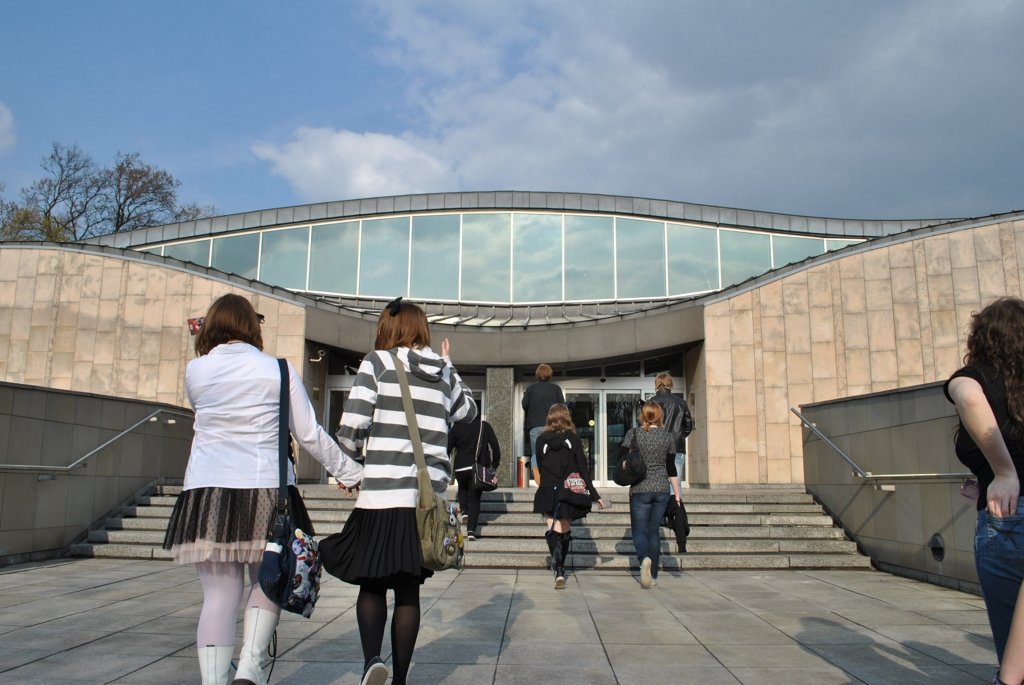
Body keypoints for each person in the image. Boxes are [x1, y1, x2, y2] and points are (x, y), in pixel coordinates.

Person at [162, 294, 363, 685]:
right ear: (252, 328)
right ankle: (251, 670)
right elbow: (308, 435)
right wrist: (350, 472)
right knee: (270, 579)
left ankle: (214, 681)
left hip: (207, 491)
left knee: (219, 595)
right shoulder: (280, 370)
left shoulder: (196, 371)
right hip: (266, 490)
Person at [322, 297, 476, 685]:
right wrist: (450, 367)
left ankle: (373, 661)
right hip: (425, 504)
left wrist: (350, 468)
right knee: (408, 592)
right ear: (422, 328)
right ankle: (401, 679)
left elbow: (352, 427)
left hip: (381, 498)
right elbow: (469, 414)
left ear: (391, 329)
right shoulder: (444, 372)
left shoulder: (377, 363)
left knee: (372, 583)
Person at [943, 297, 1024, 684]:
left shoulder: (974, 377)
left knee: (1013, 648)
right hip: (1002, 514)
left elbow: (968, 395)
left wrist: (1004, 472)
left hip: (1004, 518)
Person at [532, 403, 606, 589]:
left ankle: (557, 569)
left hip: (548, 489)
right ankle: (560, 568)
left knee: (552, 530)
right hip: (567, 489)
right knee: (563, 532)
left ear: (550, 418)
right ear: (567, 417)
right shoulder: (573, 438)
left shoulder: (541, 439)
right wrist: (595, 495)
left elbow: (540, 465)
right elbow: (583, 468)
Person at [623, 400, 681, 588]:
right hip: (662, 489)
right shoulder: (667, 437)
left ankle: (644, 559)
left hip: (640, 488)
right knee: (653, 532)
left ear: (643, 415)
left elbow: (622, 457)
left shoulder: (634, 433)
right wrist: (677, 494)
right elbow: (671, 468)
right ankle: (654, 575)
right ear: (659, 415)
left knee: (639, 531)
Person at [448, 413, 500, 540]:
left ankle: (464, 511)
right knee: (475, 498)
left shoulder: (456, 427)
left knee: (462, 488)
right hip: (477, 468)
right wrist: (494, 464)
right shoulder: (484, 426)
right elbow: (495, 446)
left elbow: (447, 448)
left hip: (460, 467)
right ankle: (471, 530)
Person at [648, 372, 693, 491]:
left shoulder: (651, 402)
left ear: (657, 384)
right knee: (675, 483)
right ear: (670, 384)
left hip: (656, 446)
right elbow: (688, 426)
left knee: (656, 482)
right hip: (676, 446)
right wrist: (680, 436)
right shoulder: (681, 402)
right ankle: (675, 507)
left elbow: (644, 425)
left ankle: (661, 508)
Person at [522, 363, 565, 485]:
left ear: (537, 375)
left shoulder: (531, 389)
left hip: (534, 426)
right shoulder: (556, 389)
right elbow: (562, 407)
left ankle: (538, 478)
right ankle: (553, 477)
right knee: (553, 451)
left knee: (536, 453)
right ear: (549, 374)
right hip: (553, 426)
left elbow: (524, 405)